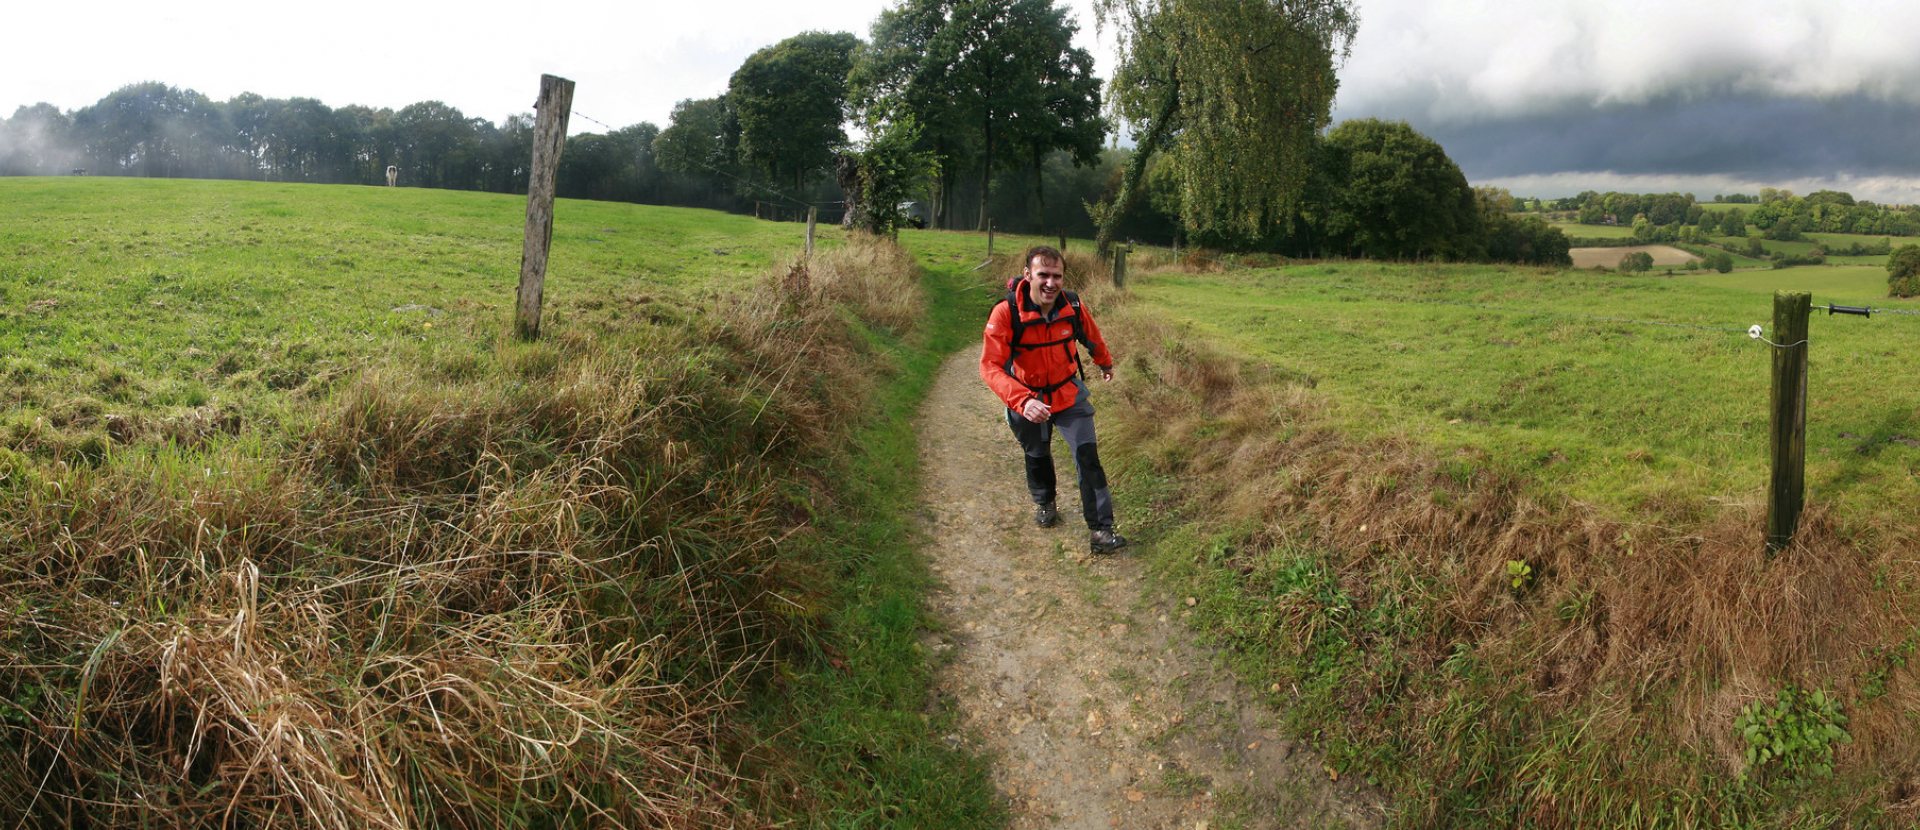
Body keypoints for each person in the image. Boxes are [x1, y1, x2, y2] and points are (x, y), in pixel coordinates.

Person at [980, 245, 1128, 554]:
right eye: (1043, 275)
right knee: (1037, 453)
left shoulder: (1072, 305)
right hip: (1027, 397)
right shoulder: (1006, 312)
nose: (1050, 283)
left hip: (1067, 393)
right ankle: (1045, 502)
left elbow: (1092, 335)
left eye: (1056, 276)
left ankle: (1101, 531)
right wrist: (1022, 401)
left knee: (1088, 458)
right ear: (1027, 275)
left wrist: (1105, 363)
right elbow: (990, 366)